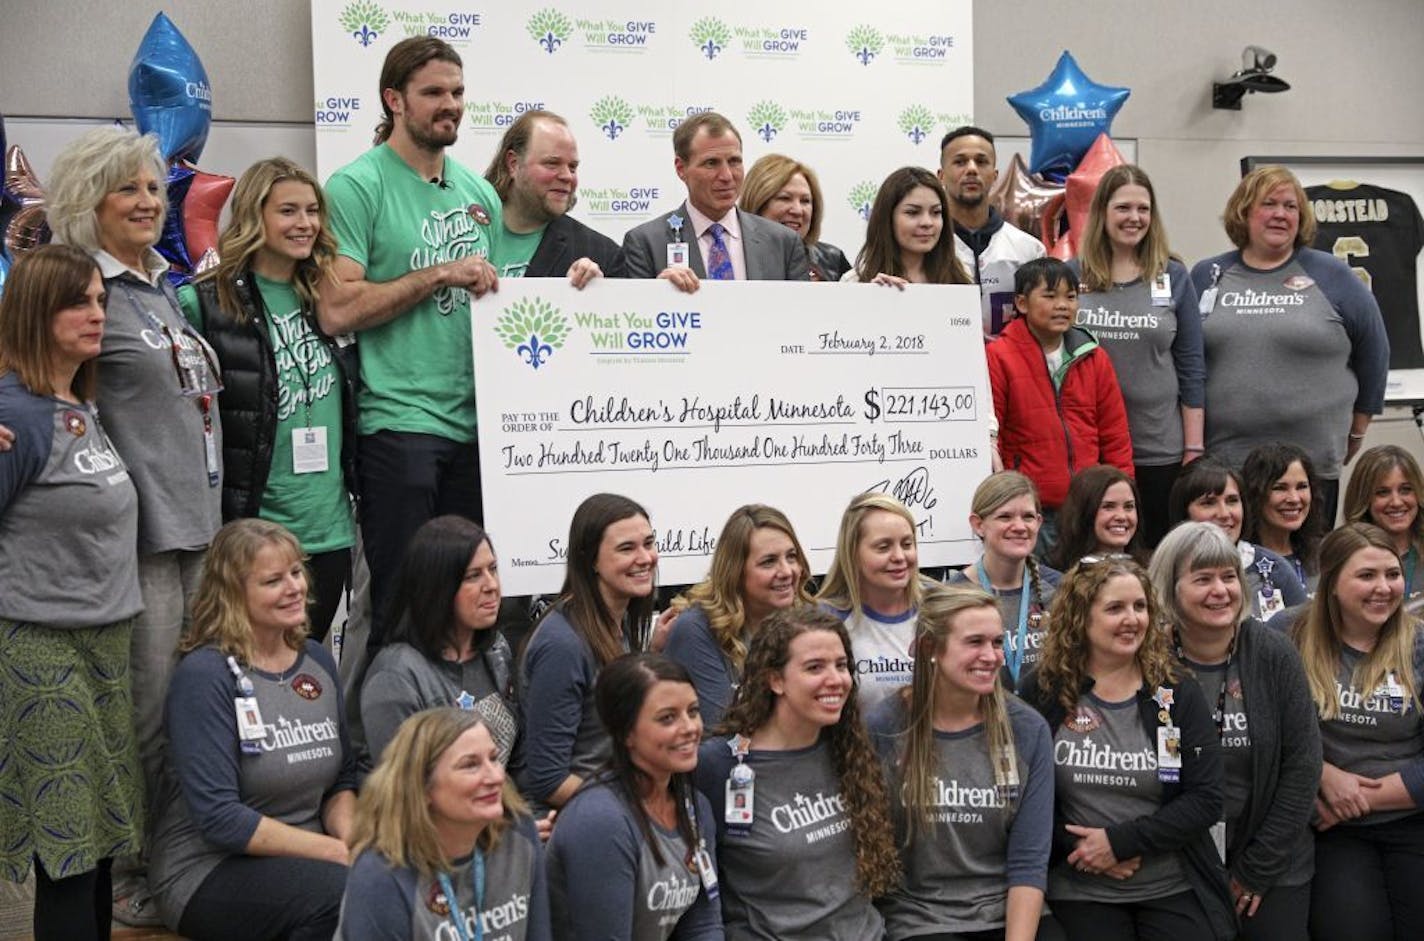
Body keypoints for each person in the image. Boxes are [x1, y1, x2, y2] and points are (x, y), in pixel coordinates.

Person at [47, 125, 224, 925]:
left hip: (201, 530)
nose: (150, 201)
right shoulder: (83, 289)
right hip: (141, 541)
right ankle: (134, 871)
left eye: (155, 187)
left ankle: (182, 854)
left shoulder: (161, 288)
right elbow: (43, 391)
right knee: (145, 718)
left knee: (194, 706)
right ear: (91, 202)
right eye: (130, 189)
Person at [319, 36, 503, 650]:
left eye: (456, 93)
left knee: (465, 615)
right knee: (401, 610)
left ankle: (459, 742)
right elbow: (337, 306)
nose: (449, 105)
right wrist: (439, 274)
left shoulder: (481, 197)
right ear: (393, 99)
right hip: (397, 425)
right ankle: (388, 747)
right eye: (433, 93)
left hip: (475, 429)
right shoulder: (356, 185)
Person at [0, 245, 144, 941]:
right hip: (38, 647)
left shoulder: (78, 401)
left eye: (100, 299)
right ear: (35, 311)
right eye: (78, 302)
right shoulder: (16, 415)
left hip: (107, 643)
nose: (97, 313)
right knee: (69, 851)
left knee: (101, 845)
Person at [148, 519, 356, 940]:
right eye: (273, 580)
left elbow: (343, 780)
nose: (294, 587)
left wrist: (355, 841)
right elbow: (220, 818)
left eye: (296, 572)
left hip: (311, 857)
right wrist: (333, 852)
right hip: (208, 868)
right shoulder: (205, 675)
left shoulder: (316, 658)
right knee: (346, 895)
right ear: (232, 594)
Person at [180, 157, 357, 641]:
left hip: (329, 531)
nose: (305, 224)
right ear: (254, 216)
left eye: (312, 211)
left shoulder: (330, 299)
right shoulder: (207, 303)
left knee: (304, 669)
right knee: (249, 667)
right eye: (288, 211)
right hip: (254, 531)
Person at [1018, 555, 1234, 941]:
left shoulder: (1175, 691)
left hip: (1171, 884)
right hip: (1079, 884)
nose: (1132, 619)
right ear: (1080, 617)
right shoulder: (1045, 690)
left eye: (1140, 607)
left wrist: (1119, 843)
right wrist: (1084, 849)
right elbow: (1021, 799)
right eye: (1115, 608)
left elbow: (1206, 798)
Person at [1149, 523, 1321, 941]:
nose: (1221, 590)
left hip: (1272, 856)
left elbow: (1302, 765)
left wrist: (1257, 869)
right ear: (1170, 590)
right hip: (1178, 860)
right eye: (1202, 579)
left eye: (1228, 577)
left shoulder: (1273, 652)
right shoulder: (1148, 659)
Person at [1190, 165, 1389, 524]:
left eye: (1291, 206)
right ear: (1244, 212)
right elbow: (1187, 359)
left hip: (1310, 466)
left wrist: (1358, 429)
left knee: (1306, 570)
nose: (1281, 214)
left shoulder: (1333, 275)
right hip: (1227, 464)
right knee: (1234, 572)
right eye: (1269, 204)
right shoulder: (1207, 275)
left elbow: (1375, 352)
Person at [694, 608, 900, 939]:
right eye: (815, 667)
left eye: (841, 665)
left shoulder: (852, 748)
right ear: (775, 679)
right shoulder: (719, 765)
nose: (835, 679)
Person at [867, 585, 1057, 941]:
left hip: (1006, 908)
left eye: (997, 642)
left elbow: (1028, 863)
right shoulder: (885, 727)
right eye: (975, 642)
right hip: (920, 916)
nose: (991, 656)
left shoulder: (1028, 730)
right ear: (930, 649)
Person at [1290, 523, 1424, 941]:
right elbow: (1267, 734)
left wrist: (1357, 798)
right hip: (1330, 829)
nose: (1383, 587)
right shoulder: (1287, 634)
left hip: (1411, 819)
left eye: (1392, 574)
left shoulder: (1419, 644)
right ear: (1330, 582)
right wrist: (1323, 776)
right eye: (1366, 575)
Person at [1073, 165, 1204, 548]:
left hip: (1158, 447)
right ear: (1102, 212)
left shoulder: (1174, 277)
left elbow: (1192, 365)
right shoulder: (1071, 275)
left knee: (1156, 554)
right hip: (1090, 448)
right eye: (1123, 208)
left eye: (1143, 209)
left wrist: (1193, 448)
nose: (1134, 218)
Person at [547, 654, 721, 940]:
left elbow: (703, 925)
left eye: (693, 711)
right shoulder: (600, 820)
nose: (690, 728)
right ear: (626, 733)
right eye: (668, 718)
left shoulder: (695, 806)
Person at [337, 708, 550, 940]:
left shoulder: (518, 832)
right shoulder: (381, 875)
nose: (496, 777)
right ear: (422, 787)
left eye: (493, 758)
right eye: (470, 765)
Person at [518, 493, 657, 814]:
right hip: (576, 821)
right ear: (590, 559)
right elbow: (549, 780)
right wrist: (640, 811)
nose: (645, 557)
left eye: (648, 543)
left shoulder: (621, 625)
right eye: (626, 548)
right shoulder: (562, 645)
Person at [986, 257, 1133, 557]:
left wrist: (1122, 495)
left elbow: (1115, 434)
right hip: (1030, 511)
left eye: (1071, 296)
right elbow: (993, 435)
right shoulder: (998, 356)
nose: (1063, 305)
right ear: (1022, 303)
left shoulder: (1093, 356)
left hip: (1087, 508)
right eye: (1050, 296)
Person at [362, 515, 517, 766]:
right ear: (437, 587)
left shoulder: (496, 649)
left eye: (493, 569)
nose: (492, 585)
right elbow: (404, 789)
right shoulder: (396, 676)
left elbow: (520, 764)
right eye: (473, 576)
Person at [662, 504, 815, 729]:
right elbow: (721, 731)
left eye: (791, 557)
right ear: (735, 571)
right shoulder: (697, 628)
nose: (786, 572)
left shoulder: (806, 622)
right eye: (768, 562)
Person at [622, 112, 809, 291]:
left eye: (734, 161)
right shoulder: (646, 243)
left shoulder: (784, 243)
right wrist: (655, 295)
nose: (727, 176)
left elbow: (801, 316)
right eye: (711, 163)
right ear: (681, 169)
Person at [946, 471, 1062, 687]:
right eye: (1005, 517)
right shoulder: (953, 596)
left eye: (1027, 517)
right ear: (978, 524)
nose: (1019, 527)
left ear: (1038, 522)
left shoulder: (1061, 589)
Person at [816, 492, 928, 710]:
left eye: (907, 544)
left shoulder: (943, 609)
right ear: (853, 553)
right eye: (883, 547)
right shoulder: (824, 619)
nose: (899, 556)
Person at [484, 109, 622, 282]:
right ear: (513, 164)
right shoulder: (461, 230)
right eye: (552, 163)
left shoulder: (603, 255)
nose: (567, 176)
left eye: (572, 167)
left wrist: (596, 297)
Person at [1166, 455, 1307, 619]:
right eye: (1209, 503)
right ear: (1184, 512)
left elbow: (1307, 635)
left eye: (1232, 501)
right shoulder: (1167, 570)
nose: (1225, 514)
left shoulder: (1276, 569)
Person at [938, 126, 1046, 336]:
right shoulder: (923, 247)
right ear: (941, 176)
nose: (971, 169)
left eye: (981, 161)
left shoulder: (1030, 251)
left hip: (1009, 367)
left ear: (994, 175)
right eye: (959, 162)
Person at [844, 166, 972, 287]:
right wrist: (871, 297)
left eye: (936, 212)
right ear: (887, 218)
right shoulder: (855, 281)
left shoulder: (961, 276)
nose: (927, 222)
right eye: (913, 212)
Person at [739, 153, 850, 282]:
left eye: (805, 201)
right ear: (757, 202)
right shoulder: (735, 255)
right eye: (785, 198)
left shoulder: (833, 259)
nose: (798, 210)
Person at [1342, 444, 1424, 599]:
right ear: (1363, 499)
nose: (1396, 502)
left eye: (1405, 490)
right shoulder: (1344, 559)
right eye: (1383, 492)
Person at [1241, 442, 1325, 590]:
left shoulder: (1326, 555)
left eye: (1302, 487)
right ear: (1254, 494)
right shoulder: (1239, 561)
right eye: (1279, 488)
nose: (1294, 498)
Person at [1050, 466, 1148, 571]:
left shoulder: (1149, 572)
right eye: (1108, 507)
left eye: (1129, 507)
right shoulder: (1055, 579)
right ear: (1084, 512)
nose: (1121, 516)